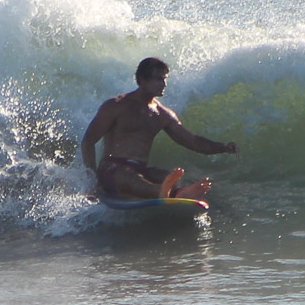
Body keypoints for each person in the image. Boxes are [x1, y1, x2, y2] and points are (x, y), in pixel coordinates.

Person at [80, 57, 238, 201]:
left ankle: (170, 191)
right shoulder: (116, 106)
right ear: (142, 80)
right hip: (112, 169)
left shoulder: (162, 114)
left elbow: (193, 141)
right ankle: (170, 193)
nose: (164, 84)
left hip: (140, 169)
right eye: (158, 79)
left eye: (164, 79)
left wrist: (223, 147)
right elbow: (88, 142)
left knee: (166, 176)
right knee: (126, 177)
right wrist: (91, 181)